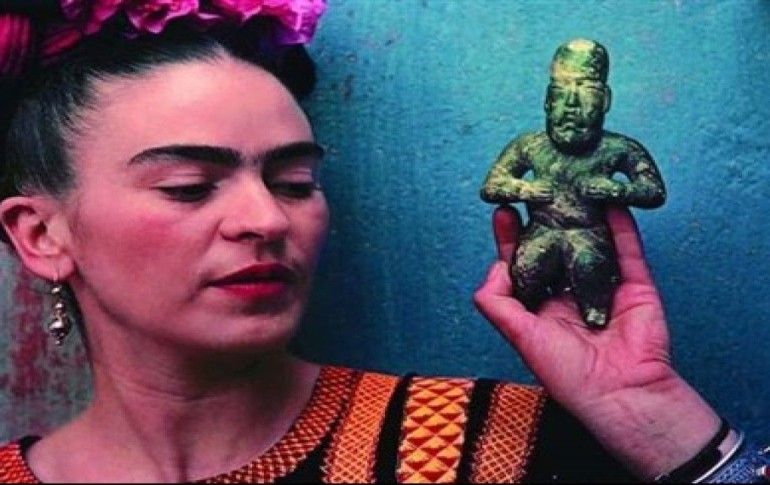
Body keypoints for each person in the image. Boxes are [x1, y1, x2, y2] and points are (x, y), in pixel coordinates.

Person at [0, 1, 766, 483]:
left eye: (295, 182)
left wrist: (646, 410)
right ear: (41, 233)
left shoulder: (484, 447)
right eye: (190, 186)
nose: (266, 219)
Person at [480, 38, 666, 328]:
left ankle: (594, 313)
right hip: (541, 230)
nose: (571, 105)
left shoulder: (618, 149)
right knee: (527, 275)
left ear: (605, 101)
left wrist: (618, 190)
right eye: (560, 91)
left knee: (592, 275)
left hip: (590, 235)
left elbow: (654, 191)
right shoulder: (529, 146)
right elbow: (492, 186)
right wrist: (525, 189)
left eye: (586, 91)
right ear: (547, 100)